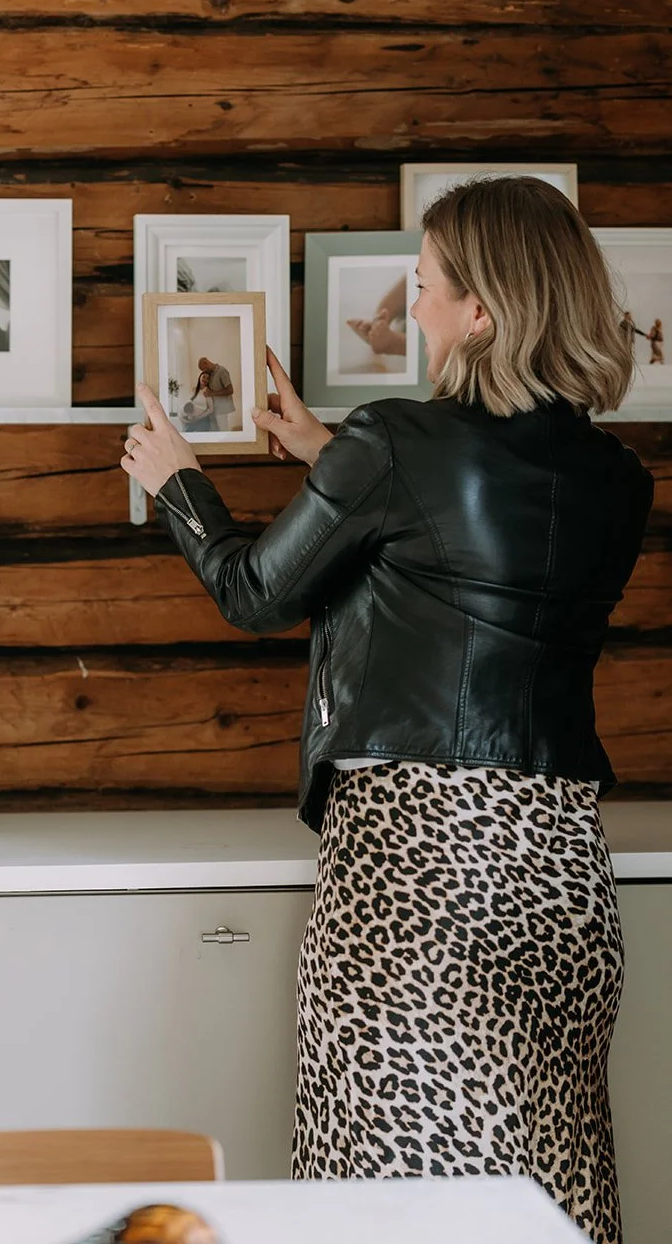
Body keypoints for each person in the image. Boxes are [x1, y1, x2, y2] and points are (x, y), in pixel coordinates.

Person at [120, 177, 652, 1244]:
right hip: (559, 871)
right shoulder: (614, 476)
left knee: (388, 1198)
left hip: (417, 870)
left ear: (482, 310)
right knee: (539, 1201)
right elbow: (475, 561)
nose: (410, 310)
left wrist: (180, 483)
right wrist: (331, 457)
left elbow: (254, 592)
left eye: (422, 288)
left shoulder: (397, 441)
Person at [197, 354, 234, 428]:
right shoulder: (211, 374)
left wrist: (212, 393)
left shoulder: (222, 371)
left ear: (206, 363)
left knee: (223, 430)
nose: (204, 371)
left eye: (204, 369)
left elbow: (230, 390)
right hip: (215, 410)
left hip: (222, 409)